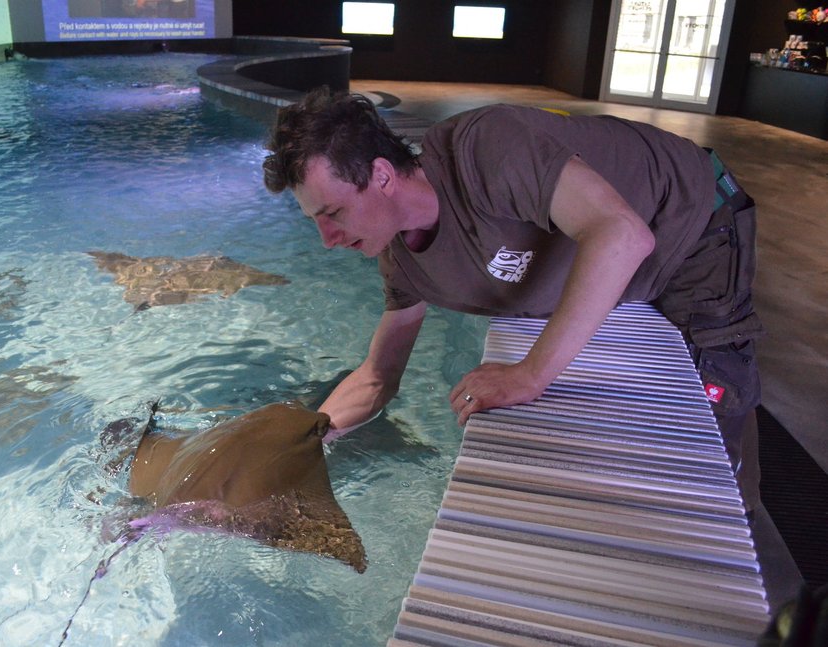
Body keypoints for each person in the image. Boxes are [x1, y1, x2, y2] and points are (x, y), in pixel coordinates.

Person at [262, 87, 764, 511]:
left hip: (695, 225)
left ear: (383, 176)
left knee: (708, 442)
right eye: (315, 221)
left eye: (334, 213)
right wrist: (291, 451)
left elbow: (622, 235)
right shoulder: (403, 260)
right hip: (634, 266)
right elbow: (376, 377)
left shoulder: (486, 150)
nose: (326, 238)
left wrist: (530, 373)